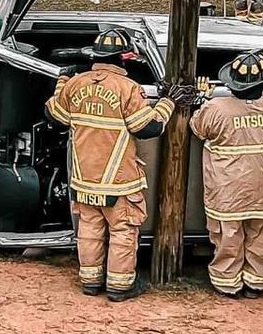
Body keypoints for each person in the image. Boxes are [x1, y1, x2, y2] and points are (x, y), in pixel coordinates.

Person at [47, 28, 180, 301]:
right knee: (122, 231)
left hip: (84, 178)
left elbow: (54, 113)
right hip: (119, 181)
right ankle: (120, 286)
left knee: (89, 229)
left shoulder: (76, 84)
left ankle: (90, 281)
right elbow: (148, 128)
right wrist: (168, 102)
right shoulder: (127, 88)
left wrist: (62, 81)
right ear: (125, 58)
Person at [189, 49, 263, 297]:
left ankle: (227, 283)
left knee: (228, 238)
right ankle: (258, 283)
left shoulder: (216, 109)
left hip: (228, 190)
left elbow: (197, 128)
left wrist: (202, 98)